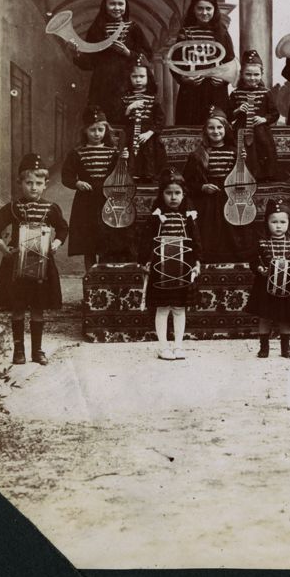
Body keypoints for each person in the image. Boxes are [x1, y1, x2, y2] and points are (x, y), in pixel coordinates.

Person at [0, 154, 68, 366]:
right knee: (18, 306)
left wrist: (56, 243)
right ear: (20, 183)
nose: (34, 187)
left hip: (42, 265)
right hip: (16, 265)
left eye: (38, 183)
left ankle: (37, 351)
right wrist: (3, 248)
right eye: (29, 183)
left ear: (45, 184)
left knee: (38, 307)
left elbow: (62, 228)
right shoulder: (13, 207)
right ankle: (18, 351)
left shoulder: (51, 208)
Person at [138, 169, 202, 360]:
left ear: (183, 194)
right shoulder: (157, 216)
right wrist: (145, 261)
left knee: (180, 308)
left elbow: (196, 241)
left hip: (183, 267)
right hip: (161, 268)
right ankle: (163, 346)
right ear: (162, 194)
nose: (173, 197)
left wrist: (197, 262)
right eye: (168, 193)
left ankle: (178, 346)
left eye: (177, 193)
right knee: (162, 308)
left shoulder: (188, 216)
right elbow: (146, 240)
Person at [69, 0, 151, 112]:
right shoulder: (96, 29)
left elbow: (148, 56)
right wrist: (77, 54)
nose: (117, 8)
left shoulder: (133, 28)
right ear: (105, 5)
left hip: (127, 84)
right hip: (102, 85)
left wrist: (128, 52)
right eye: (112, 4)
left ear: (126, 5)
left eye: (121, 4)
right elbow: (90, 63)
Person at [182, 106, 250, 262]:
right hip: (207, 199)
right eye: (211, 128)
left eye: (219, 127)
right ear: (205, 131)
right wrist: (202, 187)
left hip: (230, 195)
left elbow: (246, 179)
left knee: (231, 230)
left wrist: (243, 163)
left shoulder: (235, 152)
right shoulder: (197, 154)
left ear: (226, 129)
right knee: (209, 229)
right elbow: (186, 183)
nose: (216, 131)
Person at [60, 105, 121, 269]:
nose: (97, 134)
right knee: (89, 242)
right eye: (92, 130)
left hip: (107, 200)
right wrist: (77, 183)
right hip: (85, 202)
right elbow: (66, 176)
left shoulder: (113, 152)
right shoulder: (77, 153)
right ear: (85, 131)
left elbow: (121, 174)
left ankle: (103, 276)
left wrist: (124, 160)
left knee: (106, 239)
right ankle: (90, 276)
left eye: (100, 129)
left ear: (106, 130)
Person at [246, 198, 290, 359]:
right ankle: (264, 347)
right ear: (267, 223)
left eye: (282, 222)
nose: (278, 226)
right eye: (274, 222)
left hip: (287, 286)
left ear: (289, 223)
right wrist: (260, 269)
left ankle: (285, 347)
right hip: (265, 286)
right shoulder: (262, 243)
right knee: (264, 317)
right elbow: (254, 260)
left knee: (285, 318)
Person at [172, 0, 234, 125]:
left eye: (208, 9)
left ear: (214, 10)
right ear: (193, 9)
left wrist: (224, 79)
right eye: (200, 8)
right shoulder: (185, 32)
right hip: (192, 91)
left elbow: (230, 61)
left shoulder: (222, 32)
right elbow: (175, 62)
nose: (204, 12)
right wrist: (184, 79)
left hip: (216, 90)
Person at [228, 50, 279, 181]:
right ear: (242, 74)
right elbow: (229, 116)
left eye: (256, 74)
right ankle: (245, 178)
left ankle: (264, 177)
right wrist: (238, 110)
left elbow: (275, 114)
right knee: (245, 154)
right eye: (248, 74)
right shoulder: (235, 93)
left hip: (261, 131)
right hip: (241, 130)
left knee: (263, 151)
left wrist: (264, 119)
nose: (252, 78)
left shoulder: (266, 93)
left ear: (261, 74)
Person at [115, 53, 166, 182]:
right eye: (134, 76)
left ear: (148, 77)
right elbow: (120, 118)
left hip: (148, 135)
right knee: (132, 155)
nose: (138, 80)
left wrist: (149, 133)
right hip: (130, 133)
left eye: (142, 76)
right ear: (129, 77)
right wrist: (129, 108)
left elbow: (160, 119)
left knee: (149, 154)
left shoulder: (153, 98)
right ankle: (133, 177)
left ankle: (149, 177)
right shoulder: (126, 98)